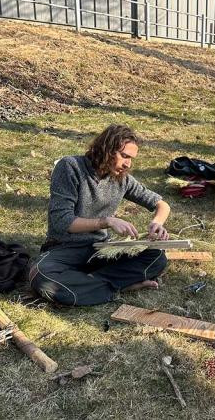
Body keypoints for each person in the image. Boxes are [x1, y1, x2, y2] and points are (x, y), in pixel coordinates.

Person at [29, 124, 170, 306]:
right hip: (65, 249)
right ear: (106, 149)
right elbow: (62, 222)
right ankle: (117, 286)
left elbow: (161, 204)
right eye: (124, 156)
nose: (128, 164)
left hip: (100, 250)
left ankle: (91, 284)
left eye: (131, 158)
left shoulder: (122, 178)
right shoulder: (70, 167)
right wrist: (106, 222)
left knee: (157, 257)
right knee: (41, 277)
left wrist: (157, 223)